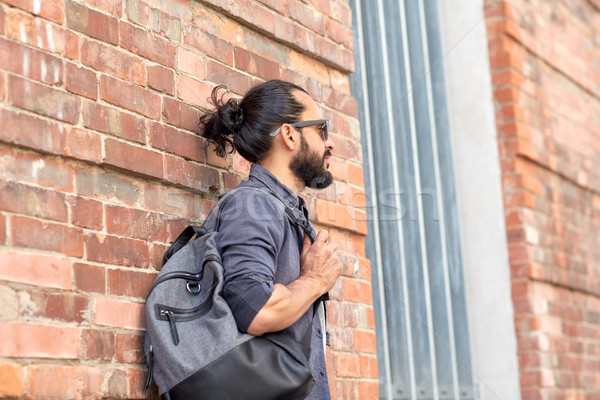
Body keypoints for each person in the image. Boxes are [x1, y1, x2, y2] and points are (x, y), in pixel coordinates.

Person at [199, 79, 343, 400]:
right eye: (322, 129)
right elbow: (256, 309)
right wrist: (317, 279)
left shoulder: (286, 212)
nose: (329, 144)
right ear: (290, 135)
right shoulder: (255, 204)